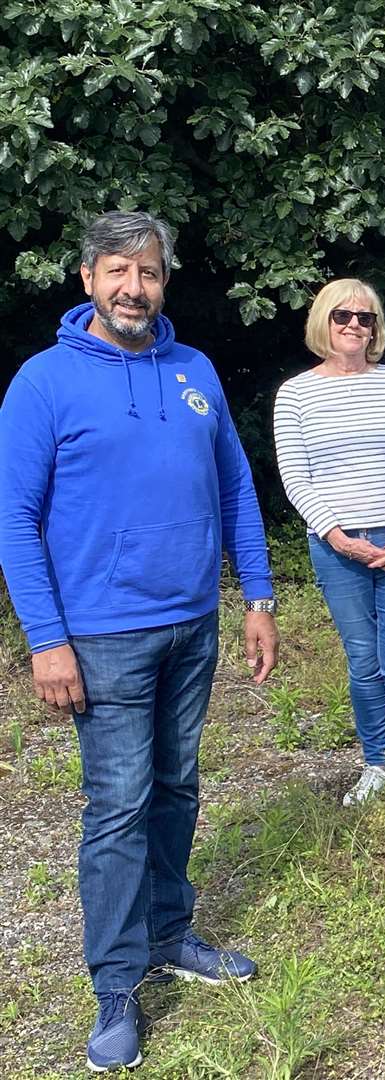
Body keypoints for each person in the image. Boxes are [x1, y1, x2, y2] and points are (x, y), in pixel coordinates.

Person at [0, 210, 278, 1071]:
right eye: (117, 270)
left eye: (149, 272)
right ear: (86, 279)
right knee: (117, 806)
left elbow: (235, 484)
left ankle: (170, 934)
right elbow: (15, 521)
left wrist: (259, 594)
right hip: (101, 636)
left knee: (176, 787)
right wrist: (47, 640)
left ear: (165, 281)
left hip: (191, 622)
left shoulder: (193, 370)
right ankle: (116, 986)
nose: (134, 287)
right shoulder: (43, 383)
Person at [274, 278, 385, 815]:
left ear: (376, 328)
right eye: (342, 316)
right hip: (335, 543)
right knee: (363, 660)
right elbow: (295, 477)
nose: (353, 326)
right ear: (324, 321)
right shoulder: (295, 393)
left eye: (364, 318)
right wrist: (337, 536)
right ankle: (374, 763)